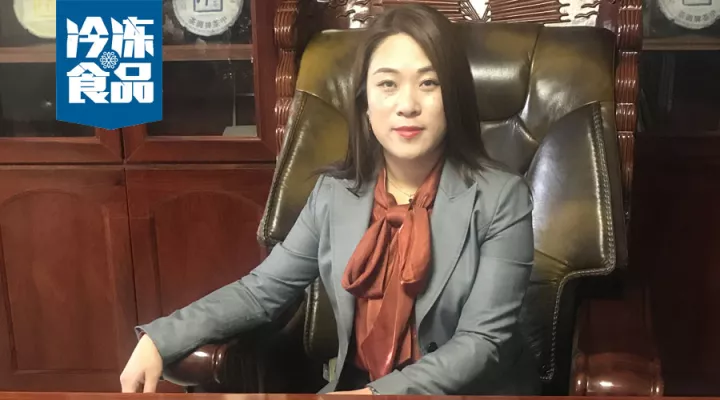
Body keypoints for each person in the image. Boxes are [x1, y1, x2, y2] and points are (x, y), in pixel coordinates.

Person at [120, 4, 538, 395]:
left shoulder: (501, 198)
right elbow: (261, 291)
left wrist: (378, 395)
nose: (408, 105)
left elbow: (482, 341)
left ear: (454, 96)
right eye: (387, 84)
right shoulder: (335, 194)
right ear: (365, 102)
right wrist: (162, 337)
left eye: (429, 83)